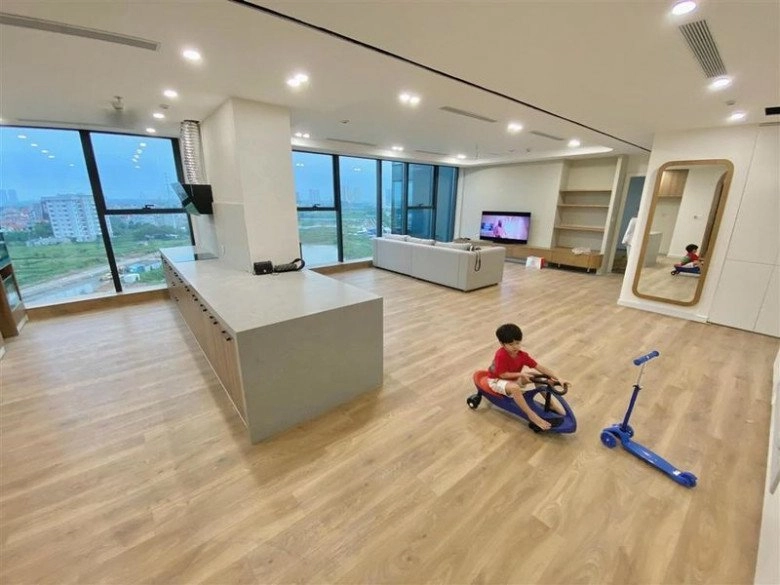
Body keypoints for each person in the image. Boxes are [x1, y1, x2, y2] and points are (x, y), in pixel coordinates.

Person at [487, 323, 569, 431]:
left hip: (512, 379)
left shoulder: (522, 355)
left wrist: (558, 378)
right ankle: (531, 415)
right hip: (497, 381)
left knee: (536, 375)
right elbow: (503, 375)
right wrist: (521, 374)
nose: (515, 347)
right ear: (502, 344)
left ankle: (551, 404)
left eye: (517, 343)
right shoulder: (501, 355)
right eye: (511, 344)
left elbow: (539, 367)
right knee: (515, 388)